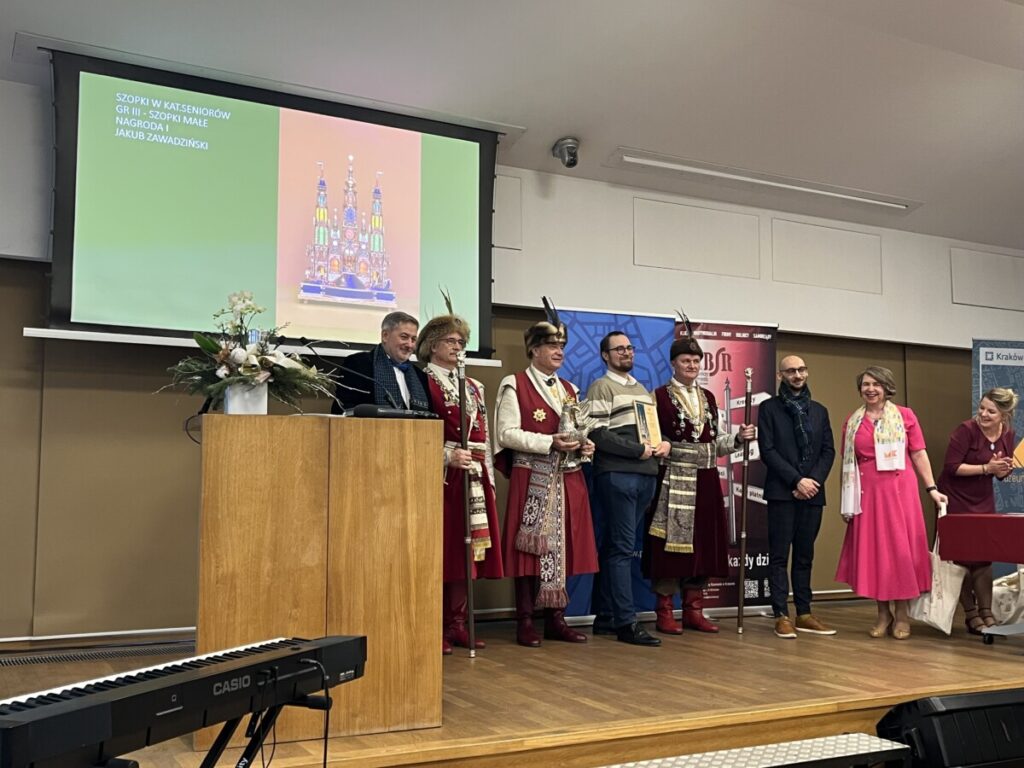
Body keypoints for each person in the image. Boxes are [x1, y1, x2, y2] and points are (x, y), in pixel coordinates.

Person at [494, 308, 599, 648]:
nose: (559, 352)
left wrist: (584, 445)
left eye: (562, 346)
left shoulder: (570, 389)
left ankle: (556, 619)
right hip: (532, 476)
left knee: (563, 545)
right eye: (552, 346)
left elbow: (577, 430)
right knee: (530, 549)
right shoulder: (515, 384)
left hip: (568, 477)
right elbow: (506, 434)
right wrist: (548, 442)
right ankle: (525, 620)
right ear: (534, 349)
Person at [642, 334, 755, 634]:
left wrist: (738, 439)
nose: (692, 365)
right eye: (686, 361)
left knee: (704, 544)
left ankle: (694, 610)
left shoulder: (709, 397)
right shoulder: (658, 396)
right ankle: (665, 611)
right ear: (673, 363)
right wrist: (663, 445)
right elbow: (651, 436)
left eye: (695, 361)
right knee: (669, 547)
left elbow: (717, 442)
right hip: (674, 478)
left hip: (706, 478)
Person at [834, 366, 948, 640]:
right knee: (876, 552)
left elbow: (918, 453)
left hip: (900, 491)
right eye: (866, 384)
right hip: (868, 494)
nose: (870, 389)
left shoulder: (906, 416)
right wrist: (846, 500)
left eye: (876, 384)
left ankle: (902, 614)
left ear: (887, 388)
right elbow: (848, 462)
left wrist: (932, 488)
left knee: (899, 550)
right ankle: (883, 613)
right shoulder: (852, 421)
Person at [417, 311, 504, 655]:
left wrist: (489, 478)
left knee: (466, 555)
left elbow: (485, 436)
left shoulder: (474, 386)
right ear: (432, 345)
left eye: (461, 342)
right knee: (444, 551)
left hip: (474, 473)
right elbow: (418, 433)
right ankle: (433, 625)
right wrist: (445, 456)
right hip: (443, 474)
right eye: (450, 341)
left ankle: (457, 623)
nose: (457, 347)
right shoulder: (422, 380)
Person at [587, 332, 669, 646]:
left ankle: (607, 617)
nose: (626, 352)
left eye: (629, 347)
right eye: (619, 349)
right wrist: (637, 450)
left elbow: (651, 432)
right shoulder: (601, 386)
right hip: (619, 474)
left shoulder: (642, 389)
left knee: (616, 546)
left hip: (645, 474)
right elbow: (596, 433)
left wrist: (663, 444)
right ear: (605, 355)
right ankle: (626, 623)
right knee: (621, 549)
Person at [757, 355, 836, 639]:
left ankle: (804, 613)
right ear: (781, 376)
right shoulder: (768, 408)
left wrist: (811, 482)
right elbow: (767, 450)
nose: (797, 375)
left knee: (805, 555)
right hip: (782, 492)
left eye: (801, 369)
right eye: (791, 371)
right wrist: (796, 480)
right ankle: (781, 615)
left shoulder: (819, 410)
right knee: (779, 556)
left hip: (812, 493)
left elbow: (828, 451)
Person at [937, 387, 1018, 634]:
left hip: (983, 500)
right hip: (955, 498)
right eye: (982, 408)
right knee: (961, 558)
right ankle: (971, 615)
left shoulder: (1008, 433)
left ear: (1004, 415)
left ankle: (987, 613)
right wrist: (986, 468)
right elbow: (951, 467)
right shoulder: (966, 430)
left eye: (991, 411)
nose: (983, 414)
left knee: (984, 556)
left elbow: (1000, 472)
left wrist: (1003, 469)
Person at [331, 311, 431, 413]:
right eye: (404, 337)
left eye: (413, 339)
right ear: (385, 336)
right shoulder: (357, 365)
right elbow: (343, 409)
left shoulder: (419, 376)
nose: (410, 345)